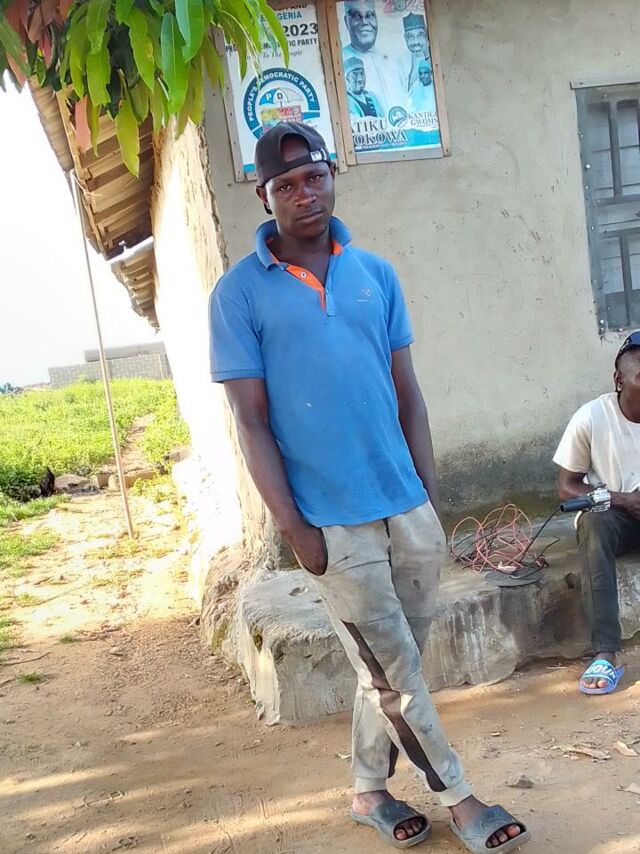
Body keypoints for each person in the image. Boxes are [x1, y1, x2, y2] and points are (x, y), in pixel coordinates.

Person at [209, 121, 530, 852]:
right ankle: (461, 799)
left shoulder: (375, 274)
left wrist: (428, 499)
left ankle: (368, 789)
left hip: (406, 506)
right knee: (398, 672)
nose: (304, 194)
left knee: (387, 666)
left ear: (331, 177)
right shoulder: (239, 295)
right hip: (330, 522)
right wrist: (296, 531)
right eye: (285, 185)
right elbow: (250, 423)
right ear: (265, 197)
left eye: (314, 177)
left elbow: (408, 393)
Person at [554, 331, 640, 696]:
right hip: (614, 517)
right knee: (593, 524)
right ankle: (607, 652)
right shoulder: (592, 417)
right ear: (619, 379)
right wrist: (622, 499)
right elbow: (566, 487)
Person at [342, 0, 405, 118]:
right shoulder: (340, 59)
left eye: (369, 15)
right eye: (357, 16)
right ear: (346, 21)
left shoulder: (392, 59)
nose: (364, 22)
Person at [401, 12, 430, 92]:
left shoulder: (434, 60)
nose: (416, 41)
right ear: (405, 38)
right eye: (410, 36)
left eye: (420, 35)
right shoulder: (401, 63)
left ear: (426, 35)